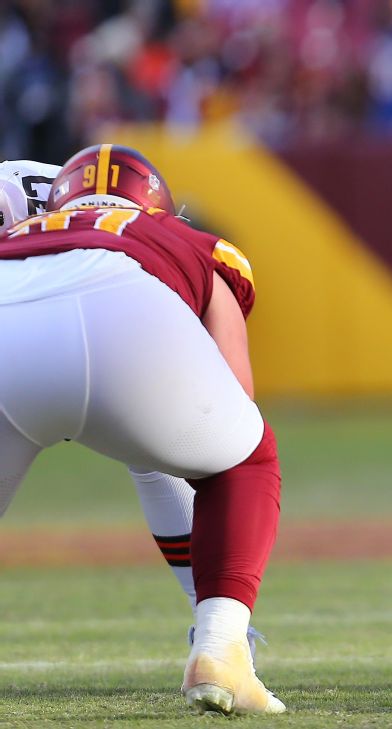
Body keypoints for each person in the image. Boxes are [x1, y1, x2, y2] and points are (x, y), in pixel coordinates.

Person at [0, 145, 284, 716]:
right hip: (125, 306)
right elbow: (235, 396)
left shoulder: (21, 230)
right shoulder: (178, 237)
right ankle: (222, 646)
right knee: (245, 459)